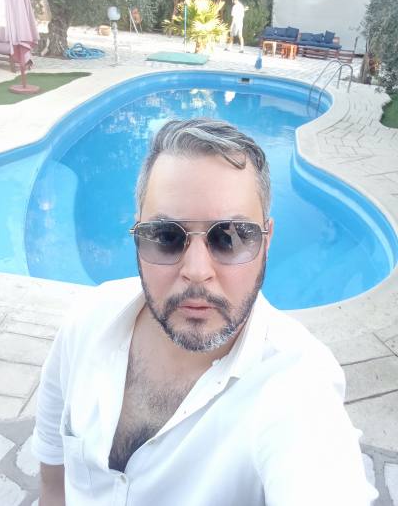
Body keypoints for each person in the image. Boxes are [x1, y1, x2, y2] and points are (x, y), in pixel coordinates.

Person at [32, 118, 377, 506]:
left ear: (266, 242)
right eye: (166, 236)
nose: (197, 271)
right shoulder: (87, 321)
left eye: (230, 237)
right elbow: (53, 473)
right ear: (138, 235)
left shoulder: (297, 384)